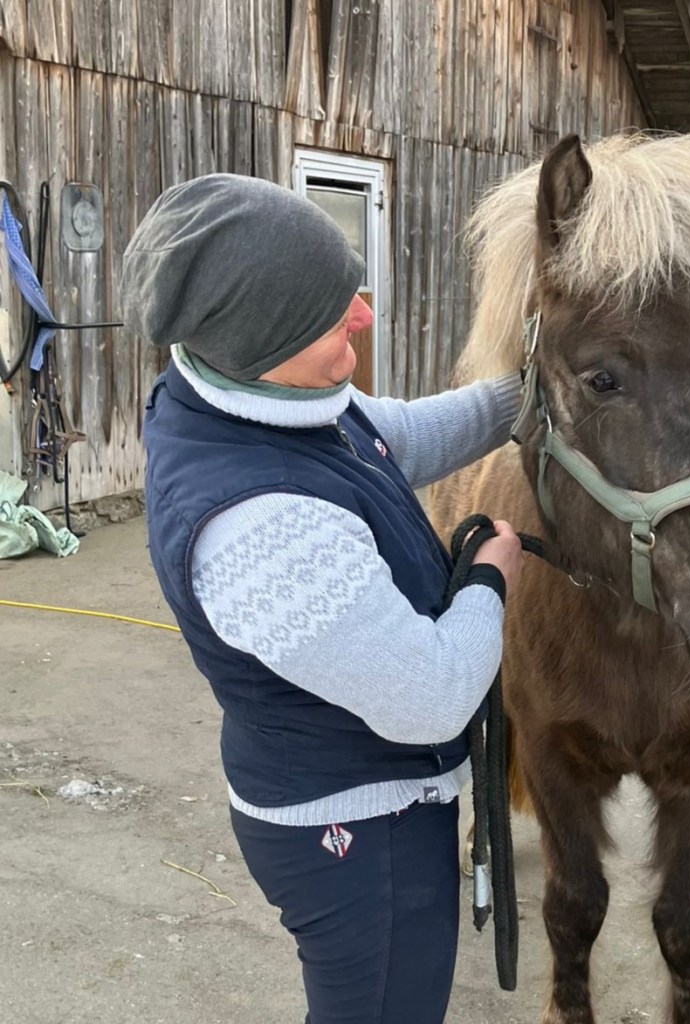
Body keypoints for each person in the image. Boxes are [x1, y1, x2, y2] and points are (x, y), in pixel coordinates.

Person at [120, 173, 525, 1024]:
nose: (363, 317)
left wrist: (536, 386)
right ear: (263, 333)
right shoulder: (258, 528)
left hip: (372, 802)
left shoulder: (266, 399)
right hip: (356, 833)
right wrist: (490, 578)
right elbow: (430, 697)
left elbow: (397, 437)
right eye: (331, 312)